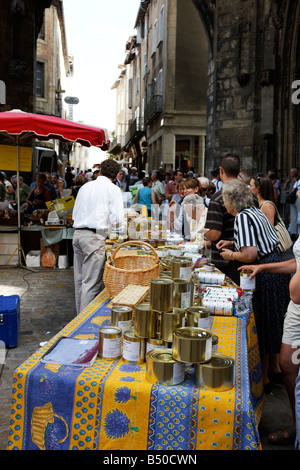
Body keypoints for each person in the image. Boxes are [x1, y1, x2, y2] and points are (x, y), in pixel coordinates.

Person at [216, 179, 290, 394]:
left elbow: (249, 255)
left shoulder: (241, 217)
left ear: (231, 201)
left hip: (263, 273)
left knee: (262, 326)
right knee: (269, 324)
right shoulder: (255, 211)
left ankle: (263, 380)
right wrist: (232, 243)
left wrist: (230, 254)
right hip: (273, 269)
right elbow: (261, 240)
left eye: (224, 200)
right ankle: (268, 375)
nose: (224, 204)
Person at [239, 235, 300, 446]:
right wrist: (263, 267)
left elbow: (296, 293)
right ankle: (297, 424)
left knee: (290, 365)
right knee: (287, 364)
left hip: (298, 302)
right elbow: (296, 262)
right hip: (296, 311)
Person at [72, 159, 124, 314]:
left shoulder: (85, 187)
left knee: (80, 281)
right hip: (93, 237)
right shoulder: (113, 189)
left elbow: (76, 214)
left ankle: (78, 317)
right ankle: (82, 322)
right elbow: (118, 220)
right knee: (90, 283)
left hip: (78, 234)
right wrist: (106, 232)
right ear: (116, 176)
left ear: (100, 170)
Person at [204, 153, 241, 284]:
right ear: (239, 171)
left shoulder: (218, 197)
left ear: (221, 171)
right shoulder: (251, 196)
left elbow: (214, 234)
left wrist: (205, 234)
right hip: (246, 258)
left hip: (224, 259)